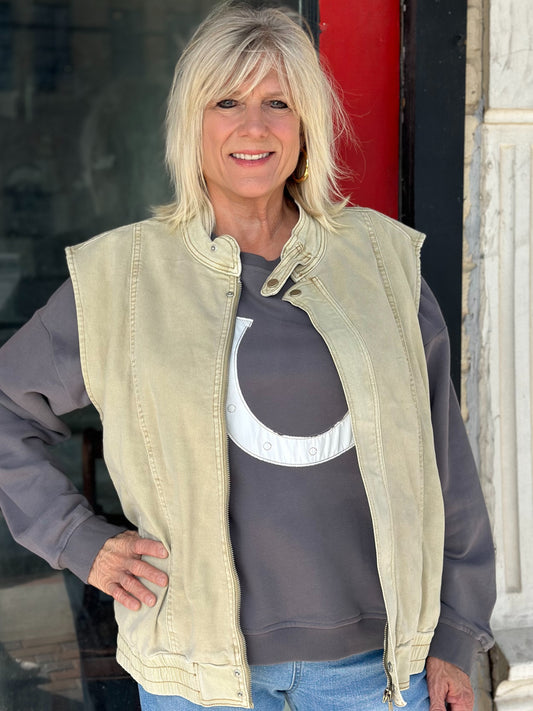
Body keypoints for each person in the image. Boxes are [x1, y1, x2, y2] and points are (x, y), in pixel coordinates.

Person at [0, 2, 495, 710]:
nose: (253, 126)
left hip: (380, 674)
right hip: (195, 678)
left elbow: (446, 460)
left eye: (277, 103)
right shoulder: (123, 280)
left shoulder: (380, 262)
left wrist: (457, 632)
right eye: (226, 102)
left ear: (306, 124)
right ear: (191, 122)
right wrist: (75, 538)